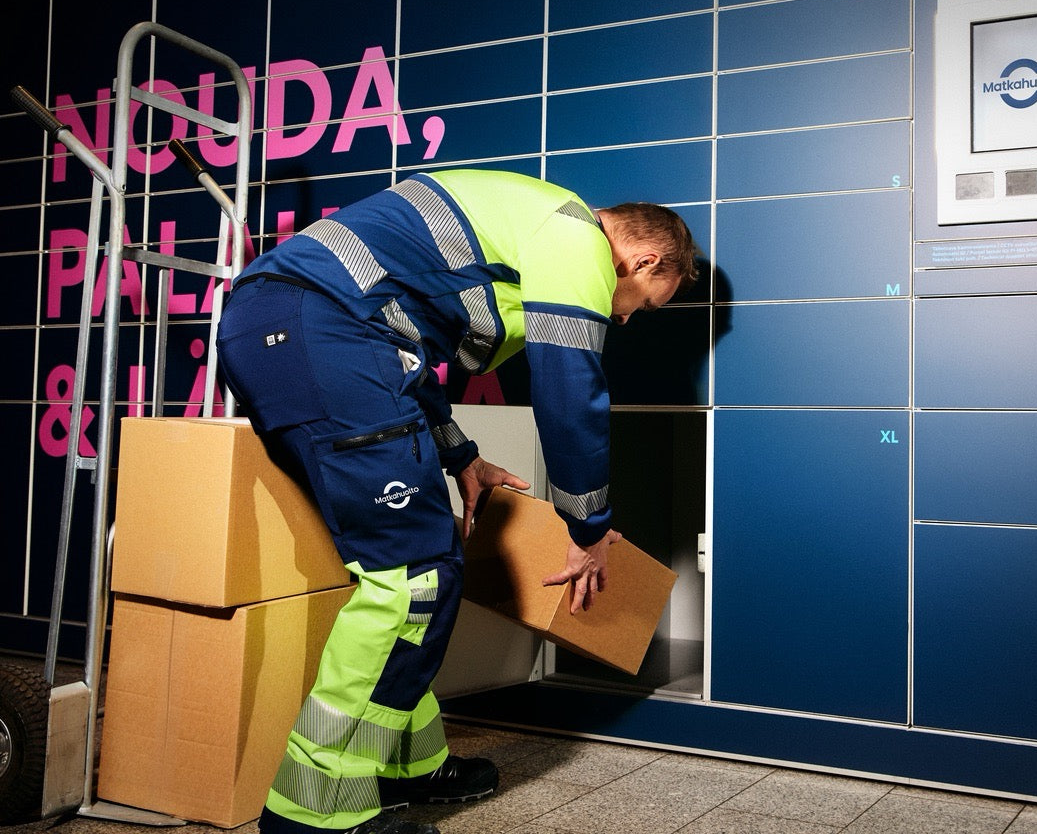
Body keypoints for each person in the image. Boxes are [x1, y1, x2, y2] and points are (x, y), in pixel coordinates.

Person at [214, 168, 699, 834]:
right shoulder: (573, 234)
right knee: (409, 579)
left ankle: (409, 764)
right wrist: (589, 528)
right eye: (642, 301)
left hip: (301, 329)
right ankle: (312, 814)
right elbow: (570, 393)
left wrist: (461, 456)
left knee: (425, 564)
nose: (624, 315)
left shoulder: (525, 232)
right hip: (315, 328)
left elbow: (406, 346)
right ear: (643, 259)